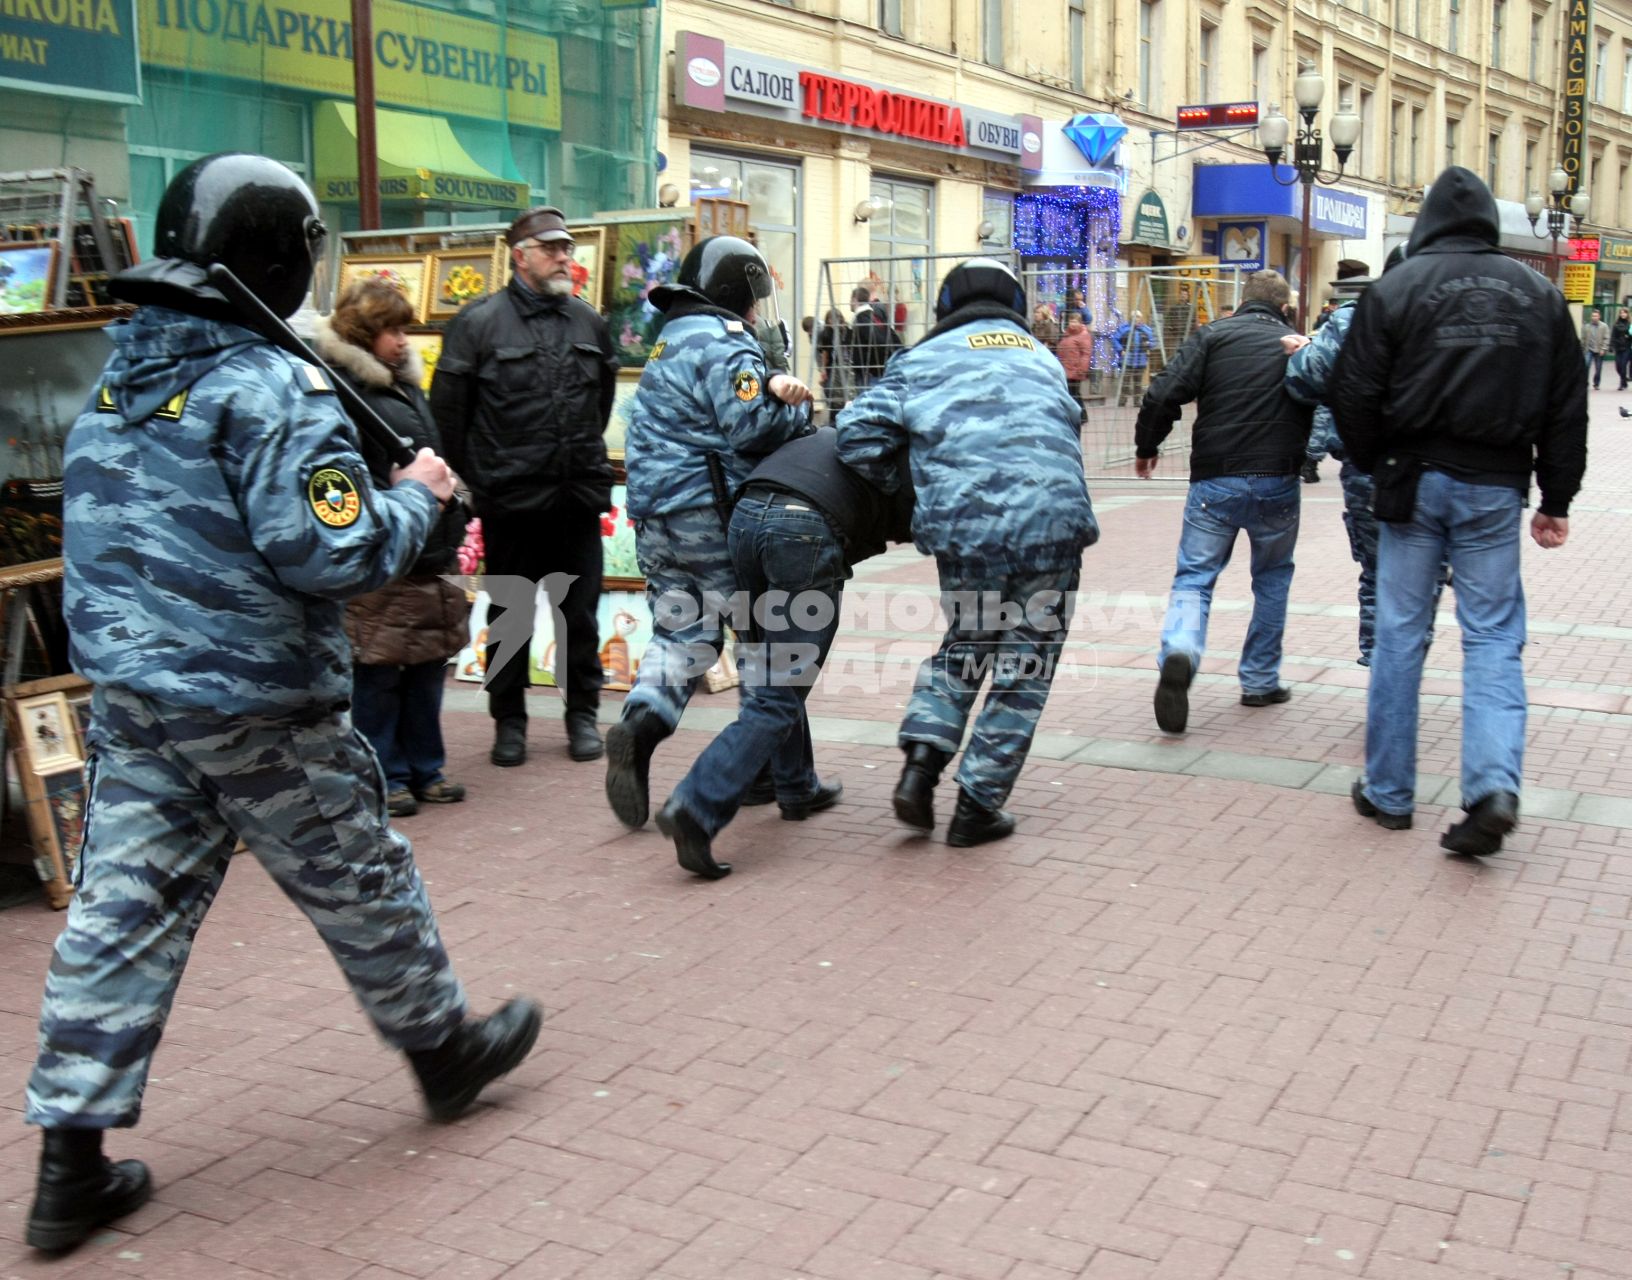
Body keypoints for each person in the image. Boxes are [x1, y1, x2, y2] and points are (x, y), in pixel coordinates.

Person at [22, 154, 541, 1254]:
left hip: (138, 702)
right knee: (360, 877)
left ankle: (69, 1160)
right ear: (282, 255)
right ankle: (444, 1051)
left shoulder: (118, 385)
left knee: (120, 911)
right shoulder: (272, 386)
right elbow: (329, 552)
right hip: (256, 701)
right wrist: (419, 503)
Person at [1330, 165, 1587, 854]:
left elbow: (1351, 391)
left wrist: (1377, 458)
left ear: (1429, 224)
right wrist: (1556, 496)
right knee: (1494, 636)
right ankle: (1493, 787)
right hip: (1495, 485)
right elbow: (1567, 408)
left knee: (1400, 631)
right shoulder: (1540, 295)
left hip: (1411, 481)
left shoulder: (1395, 288)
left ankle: (1388, 793)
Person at [838, 258, 1099, 846]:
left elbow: (857, 435)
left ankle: (920, 767)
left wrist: (914, 493)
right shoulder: (1042, 359)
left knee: (966, 647)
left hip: (967, 533)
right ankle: (977, 804)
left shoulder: (922, 359)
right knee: (1024, 667)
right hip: (1052, 529)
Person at [603, 236, 814, 830]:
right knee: (761, 640)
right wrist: (793, 402)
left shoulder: (669, 339)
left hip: (655, 515)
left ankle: (641, 723)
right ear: (736, 295)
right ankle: (769, 774)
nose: (757, 314)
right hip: (711, 511)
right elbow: (750, 427)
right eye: (754, 301)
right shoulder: (725, 342)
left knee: (682, 634)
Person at [655, 429, 914, 878]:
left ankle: (794, 786)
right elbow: (915, 526)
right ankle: (697, 804)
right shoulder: (912, 454)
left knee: (764, 667)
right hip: (802, 532)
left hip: (745, 518)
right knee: (780, 691)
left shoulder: (850, 433)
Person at [430, 205, 617, 768]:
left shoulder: (588, 322)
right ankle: (508, 721)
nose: (566, 257)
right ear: (521, 256)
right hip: (511, 502)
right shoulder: (478, 322)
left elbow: (600, 404)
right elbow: (449, 417)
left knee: (579, 614)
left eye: (569, 249)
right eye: (554, 249)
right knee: (510, 615)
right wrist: (486, 478)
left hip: (576, 499)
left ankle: (581, 715)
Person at [316, 280, 470, 817]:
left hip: (430, 547)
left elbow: (435, 452)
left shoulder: (403, 386)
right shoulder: (344, 391)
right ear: (365, 334)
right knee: (379, 671)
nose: (403, 340)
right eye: (392, 330)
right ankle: (387, 773)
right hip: (390, 548)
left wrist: (458, 508)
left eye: (404, 329)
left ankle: (425, 767)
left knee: (428, 663)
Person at [1134, 269, 1313, 735]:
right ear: (1284, 308)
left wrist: (1147, 446)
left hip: (1215, 477)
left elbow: (1162, 393)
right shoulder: (1296, 344)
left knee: (1195, 575)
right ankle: (1259, 680)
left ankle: (1182, 650)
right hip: (1278, 477)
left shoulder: (1212, 336)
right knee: (1272, 579)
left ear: (1242, 301)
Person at [1285, 253, 1449, 667]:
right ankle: (1407, 663)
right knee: (1428, 574)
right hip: (1443, 468)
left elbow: (1304, 381)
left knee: (1378, 572)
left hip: (1369, 465)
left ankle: (1383, 670)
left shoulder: (1354, 318)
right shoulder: (1457, 316)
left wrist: (1305, 352)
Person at [848, 285, 900, 389]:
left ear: (854, 300)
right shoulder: (875, 317)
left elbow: (877, 342)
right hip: (882, 372)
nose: (849, 303)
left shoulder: (861, 320)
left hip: (870, 376)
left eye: (850, 300)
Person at [1113, 310, 1155, 406]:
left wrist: (1149, 344)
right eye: (1134, 317)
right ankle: (1122, 401)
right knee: (1125, 382)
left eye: (1138, 317)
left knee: (1138, 382)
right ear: (1131, 318)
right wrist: (1120, 350)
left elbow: (1153, 342)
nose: (1136, 319)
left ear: (1141, 318)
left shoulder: (1147, 329)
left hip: (1141, 360)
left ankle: (1137, 401)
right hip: (1127, 360)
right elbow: (1115, 339)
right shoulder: (1123, 328)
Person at [1056, 311, 1093, 407]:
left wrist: (1082, 369)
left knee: (1074, 394)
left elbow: (1086, 354)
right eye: (1071, 321)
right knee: (1071, 394)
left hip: (1075, 370)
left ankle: (1081, 416)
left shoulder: (1083, 335)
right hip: (1066, 369)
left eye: (1075, 322)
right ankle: (1080, 416)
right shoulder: (1067, 334)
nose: (1072, 324)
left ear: (1080, 323)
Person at [1582, 308, 1611, 388]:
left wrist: (1603, 348)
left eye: (1596, 316)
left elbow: (1607, 338)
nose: (1594, 317)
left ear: (1599, 317)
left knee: (1598, 368)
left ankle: (1596, 383)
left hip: (1599, 350)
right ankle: (1585, 382)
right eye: (1593, 316)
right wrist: (1583, 349)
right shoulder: (1587, 327)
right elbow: (1583, 338)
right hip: (1589, 350)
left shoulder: (1604, 326)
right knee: (1586, 365)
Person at [1612, 305, 1631, 389]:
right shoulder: (1616, 324)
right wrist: (1611, 346)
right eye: (1621, 313)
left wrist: (1628, 336)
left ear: (1627, 314)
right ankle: (1624, 381)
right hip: (1618, 347)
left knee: (1623, 366)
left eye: (1625, 313)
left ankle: (1621, 384)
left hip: (1627, 348)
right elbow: (1613, 336)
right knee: (1618, 367)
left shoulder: (1630, 324)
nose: (1623, 314)